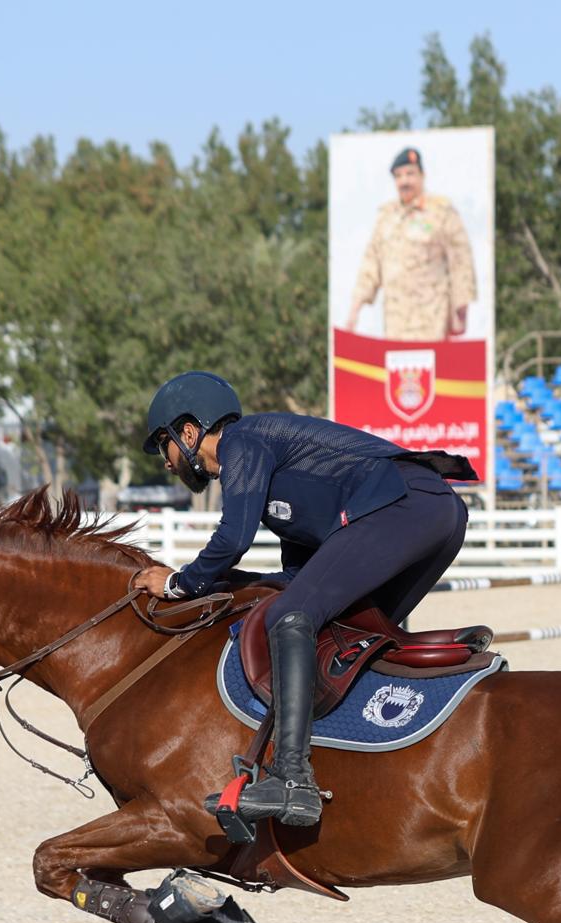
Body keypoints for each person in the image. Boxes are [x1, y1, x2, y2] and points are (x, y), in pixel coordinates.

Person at [134, 371, 474, 826]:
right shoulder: (276, 474)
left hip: (404, 504)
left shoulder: (242, 442)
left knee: (291, 617)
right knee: (346, 631)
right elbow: (298, 576)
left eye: (165, 445)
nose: (167, 462)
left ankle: (292, 778)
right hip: (436, 511)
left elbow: (233, 538)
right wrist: (236, 582)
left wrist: (180, 583)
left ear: (190, 433)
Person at [346, 147, 477, 341]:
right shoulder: (386, 216)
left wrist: (461, 308)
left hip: (432, 320)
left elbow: (461, 260)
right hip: (395, 322)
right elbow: (371, 263)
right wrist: (355, 309)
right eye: (399, 176)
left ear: (422, 176)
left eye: (410, 174)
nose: (404, 181)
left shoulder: (441, 212)